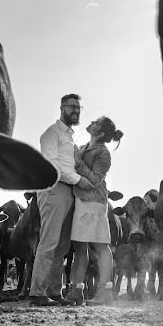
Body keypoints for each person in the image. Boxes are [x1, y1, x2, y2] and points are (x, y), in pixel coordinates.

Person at [29, 94, 95, 307]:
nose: (76, 110)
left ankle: (54, 292)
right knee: (49, 241)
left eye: (79, 107)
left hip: (70, 192)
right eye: (72, 106)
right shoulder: (51, 133)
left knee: (63, 245)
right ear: (62, 108)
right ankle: (37, 293)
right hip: (54, 188)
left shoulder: (71, 137)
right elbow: (51, 165)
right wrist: (79, 179)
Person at [65, 116, 123, 306]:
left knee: (101, 245)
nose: (91, 121)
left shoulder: (103, 154)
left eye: (96, 122)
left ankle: (105, 292)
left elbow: (95, 181)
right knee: (80, 248)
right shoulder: (83, 147)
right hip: (81, 201)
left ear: (101, 133)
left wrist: (78, 161)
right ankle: (77, 292)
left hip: (95, 202)